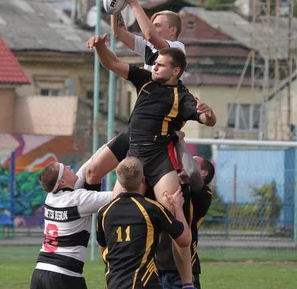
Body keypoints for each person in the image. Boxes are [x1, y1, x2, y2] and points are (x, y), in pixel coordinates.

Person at [87, 35, 216, 288]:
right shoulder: (145, 81)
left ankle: (187, 283)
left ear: (176, 70)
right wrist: (101, 47)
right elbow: (112, 63)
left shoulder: (184, 96)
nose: (154, 66)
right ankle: (116, 279)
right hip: (133, 161)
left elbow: (207, 120)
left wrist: (209, 115)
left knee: (176, 220)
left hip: (160, 161)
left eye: (161, 64)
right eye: (154, 62)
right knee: (116, 215)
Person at [84, 0, 187, 188]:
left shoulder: (176, 49)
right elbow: (119, 32)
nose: (152, 28)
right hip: (138, 125)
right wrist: (115, 4)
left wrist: (132, 2)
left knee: (147, 188)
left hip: (158, 129)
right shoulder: (151, 49)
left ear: (173, 31)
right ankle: (94, 217)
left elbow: (149, 34)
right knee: (92, 172)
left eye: (158, 25)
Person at [96, 157, 191, 289]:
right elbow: (184, 239)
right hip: (144, 283)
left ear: (120, 182)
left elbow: (103, 248)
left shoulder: (104, 211)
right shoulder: (152, 209)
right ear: (143, 180)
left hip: (114, 283)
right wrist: (178, 207)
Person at [29, 161, 115, 289]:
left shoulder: (51, 197)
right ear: (62, 182)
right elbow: (119, 195)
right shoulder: (78, 200)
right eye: (65, 168)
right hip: (64, 275)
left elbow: (87, 166)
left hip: (39, 272)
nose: (69, 166)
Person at [156, 146, 215, 289]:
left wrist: (178, 143)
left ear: (204, 173)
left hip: (183, 270)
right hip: (157, 267)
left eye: (192, 162)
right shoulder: (168, 186)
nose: (185, 164)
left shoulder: (203, 194)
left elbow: (192, 172)